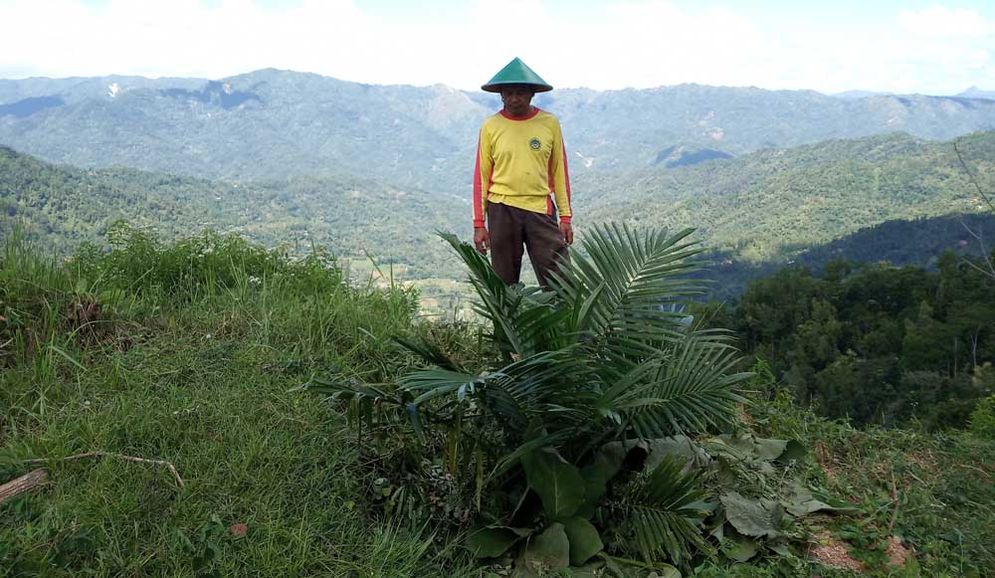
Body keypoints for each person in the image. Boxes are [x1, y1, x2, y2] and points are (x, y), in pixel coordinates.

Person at [472, 57, 573, 288]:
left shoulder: (549, 123)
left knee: (561, 282)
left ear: (532, 94)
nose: (514, 98)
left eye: (520, 92)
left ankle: (563, 324)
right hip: (501, 209)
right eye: (508, 93)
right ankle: (506, 325)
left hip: (540, 209)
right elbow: (481, 177)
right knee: (504, 284)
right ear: (501, 95)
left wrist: (565, 217)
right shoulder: (491, 126)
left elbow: (559, 172)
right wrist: (479, 224)